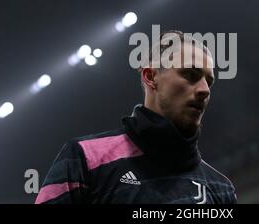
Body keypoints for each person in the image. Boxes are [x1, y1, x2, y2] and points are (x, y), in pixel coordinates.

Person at [35, 30, 237, 204]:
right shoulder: (85, 158)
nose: (204, 90)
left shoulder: (221, 188)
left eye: (208, 82)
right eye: (190, 75)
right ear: (150, 77)